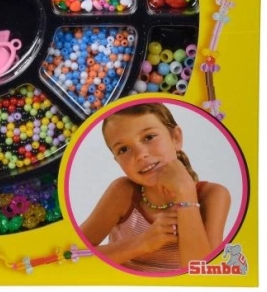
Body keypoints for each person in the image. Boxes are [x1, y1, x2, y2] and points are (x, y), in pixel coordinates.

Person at [79, 103, 231, 273]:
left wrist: (185, 193)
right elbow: (74, 255)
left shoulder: (212, 195)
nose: (140, 155)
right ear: (117, 160)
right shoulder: (123, 192)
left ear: (175, 138)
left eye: (149, 137)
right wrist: (143, 242)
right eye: (123, 149)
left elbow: (203, 275)